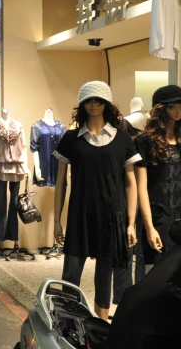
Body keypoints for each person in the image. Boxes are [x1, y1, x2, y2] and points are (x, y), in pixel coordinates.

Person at [53, 81, 139, 320]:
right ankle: (65, 324)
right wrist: (57, 221)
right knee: (70, 275)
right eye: (89, 101)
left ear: (106, 104)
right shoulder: (71, 139)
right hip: (79, 214)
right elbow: (61, 181)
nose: (93, 105)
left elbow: (130, 181)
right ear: (82, 105)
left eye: (98, 101)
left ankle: (101, 328)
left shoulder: (122, 139)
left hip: (111, 216)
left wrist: (131, 222)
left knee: (104, 277)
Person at [133, 85, 181, 282]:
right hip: (157, 216)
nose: (178, 112)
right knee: (154, 278)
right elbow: (141, 187)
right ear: (161, 109)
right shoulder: (145, 141)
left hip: (179, 214)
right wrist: (149, 226)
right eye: (172, 107)